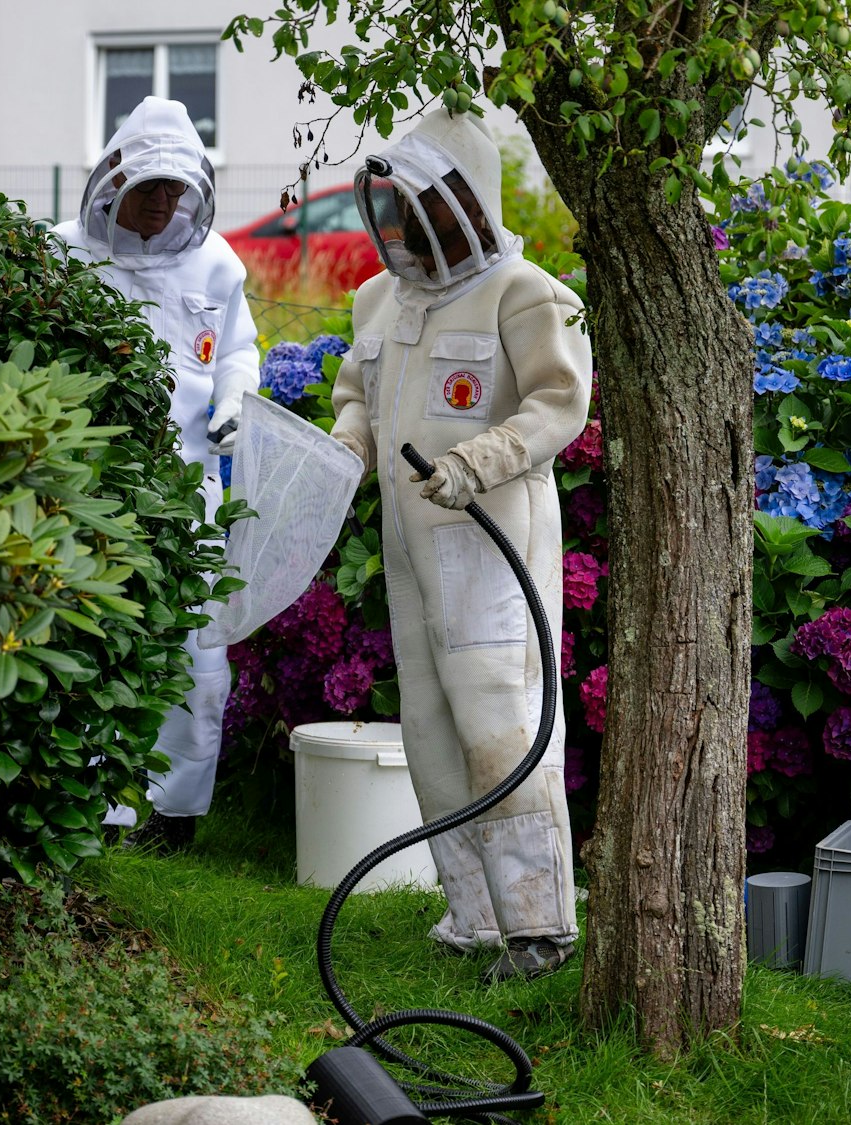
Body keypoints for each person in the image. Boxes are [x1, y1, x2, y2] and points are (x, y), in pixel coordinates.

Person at [329, 110, 593, 983]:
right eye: (398, 204)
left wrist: (479, 461)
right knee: (433, 729)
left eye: (424, 206)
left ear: (469, 203)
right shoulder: (380, 297)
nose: (407, 225)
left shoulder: (524, 291)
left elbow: (559, 402)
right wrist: (348, 444)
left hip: (490, 541)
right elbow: (357, 395)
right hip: (410, 548)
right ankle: (476, 918)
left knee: (499, 722)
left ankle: (541, 928)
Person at [51, 97, 259, 851]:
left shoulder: (215, 263)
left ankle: (175, 816)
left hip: (192, 493)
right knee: (98, 644)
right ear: (113, 184)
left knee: (197, 654)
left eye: (175, 194)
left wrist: (237, 395)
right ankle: (98, 813)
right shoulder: (62, 254)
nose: (164, 206)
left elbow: (238, 347)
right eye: (150, 192)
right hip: (94, 489)